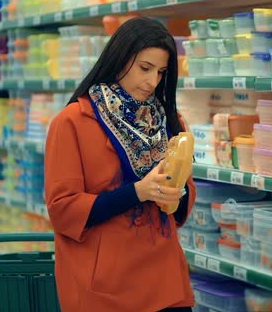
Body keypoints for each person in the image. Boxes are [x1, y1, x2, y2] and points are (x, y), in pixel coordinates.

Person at [44, 17, 196, 312]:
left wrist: (175, 193)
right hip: (105, 291)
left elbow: (181, 207)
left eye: (162, 72)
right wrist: (139, 191)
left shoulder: (171, 121)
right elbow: (62, 210)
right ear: (119, 59)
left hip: (167, 284)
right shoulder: (72, 122)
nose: (153, 82)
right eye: (145, 68)